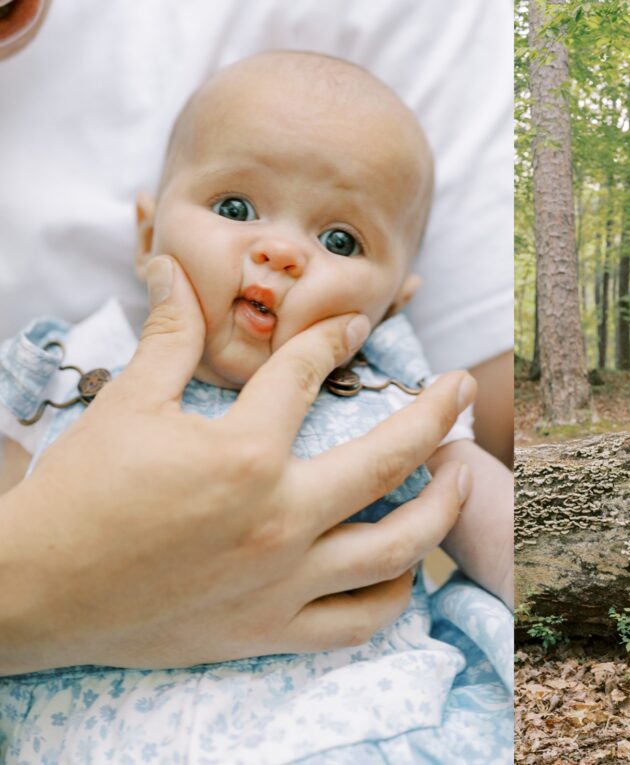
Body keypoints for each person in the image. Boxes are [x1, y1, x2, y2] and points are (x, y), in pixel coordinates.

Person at [0, 52, 512, 763]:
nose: (279, 249)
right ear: (148, 235)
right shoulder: (69, 367)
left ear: (391, 303)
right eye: (235, 207)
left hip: (358, 730)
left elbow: (502, 527)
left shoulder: (394, 405)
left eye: (340, 239)